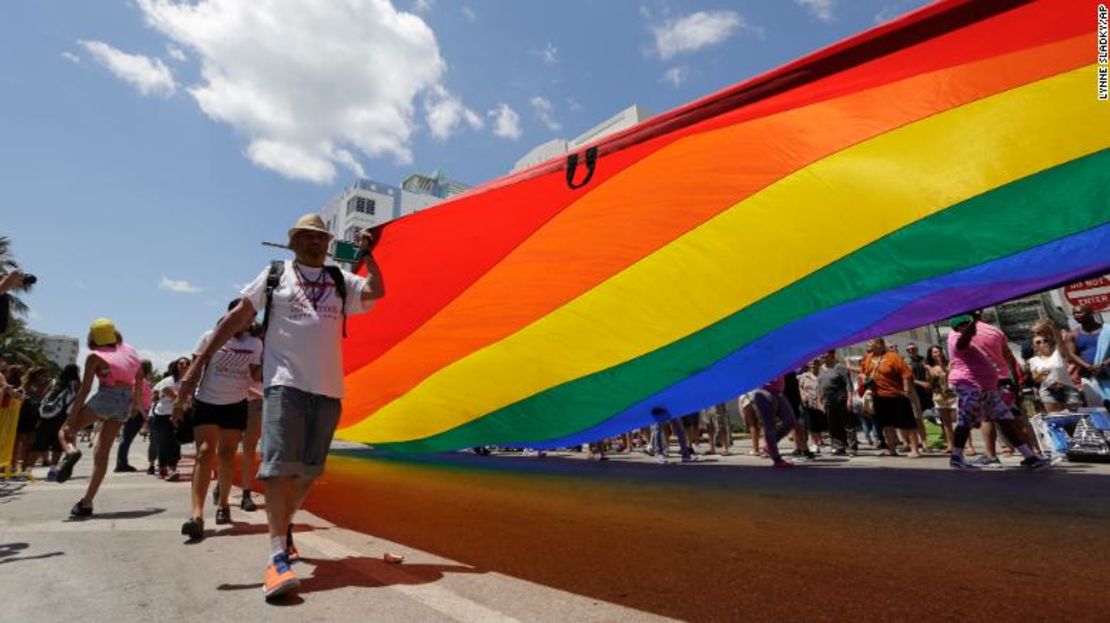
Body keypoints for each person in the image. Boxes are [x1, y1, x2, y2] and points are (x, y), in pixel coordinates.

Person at [178, 214, 383, 601]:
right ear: (293, 242)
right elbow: (236, 317)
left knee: (308, 472)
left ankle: (283, 529)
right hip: (284, 384)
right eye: (306, 237)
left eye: (320, 238)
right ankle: (276, 559)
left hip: (328, 389)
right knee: (278, 471)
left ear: (327, 243)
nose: (314, 243)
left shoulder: (342, 280)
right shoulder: (275, 276)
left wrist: (368, 256)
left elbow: (376, 292)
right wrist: (197, 367)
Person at [181, 300, 264, 540]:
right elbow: (196, 367)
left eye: (252, 317)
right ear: (231, 315)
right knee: (205, 453)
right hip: (207, 401)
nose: (250, 320)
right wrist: (181, 400)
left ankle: (223, 504)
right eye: (246, 315)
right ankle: (196, 515)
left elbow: (254, 375)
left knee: (227, 455)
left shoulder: (255, 343)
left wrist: (264, 354)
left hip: (236, 403)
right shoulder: (210, 336)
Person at [55, 319, 144, 517]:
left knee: (64, 432)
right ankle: (87, 502)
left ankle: (70, 452)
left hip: (107, 395)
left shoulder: (95, 356)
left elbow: (85, 389)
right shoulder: (129, 350)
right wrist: (135, 404)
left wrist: (72, 418)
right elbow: (139, 377)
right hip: (125, 399)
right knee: (102, 453)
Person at [946, 315, 1048, 470]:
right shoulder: (956, 338)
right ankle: (956, 457)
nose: (969, 326)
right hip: (970, 387)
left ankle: (1030, 456)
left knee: (1005, 420)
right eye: (964, 325)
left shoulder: (970, 337)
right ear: (958, 328)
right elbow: (961, 344)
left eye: (968, 323)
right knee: (965, 422)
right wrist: (969, 329)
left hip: (988, 388)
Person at [860, 337, 921, 457]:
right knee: (886, 424)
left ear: (880, 344)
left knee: (907, 423)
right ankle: (892, 449)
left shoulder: (893, 356)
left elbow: (906, 374)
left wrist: (906, 390)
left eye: (871, 342)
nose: (868, 344)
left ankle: (915, 449)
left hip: (897, 395)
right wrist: (865, 378)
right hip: (879, 396)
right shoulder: (867, 358)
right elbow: (863, 372)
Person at [30, 364, 80, 480]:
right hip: (63, 415)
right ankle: (52, 471)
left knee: (38, 444)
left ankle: (27, 470)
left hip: (47, 415)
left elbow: (43, 396)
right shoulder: (76, 384)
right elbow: (78, 399)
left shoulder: (54, 382)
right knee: (57, 445)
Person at [748, 376, 805, 467]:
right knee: (770, 425)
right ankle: (777, 459)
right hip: (764, 392)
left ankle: (769, 445)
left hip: (778, 392)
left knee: (790, 421)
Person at [1028, 321, 1082, 412]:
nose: (1042, 343)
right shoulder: (1033, 360)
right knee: (1056, 419)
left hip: (1067, 387)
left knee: (1075, 417)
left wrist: (1052, 328)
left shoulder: (1058, 352)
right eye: (1038, 342)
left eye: (1045, 340)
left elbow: (1060, 341)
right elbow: (1035, 379)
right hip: (1047, 390)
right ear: (1034, 346)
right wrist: (1040, 374)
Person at [150, 358, 189, 480]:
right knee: (164, 442)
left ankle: (172, 469)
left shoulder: (190, 381)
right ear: (176, 366)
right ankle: (163, 467)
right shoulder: (168, 381)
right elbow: (172, 395)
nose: (185, 365)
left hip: (181, 414)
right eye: (181, 363)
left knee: (176, 442)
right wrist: (184, 397)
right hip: (163, 415)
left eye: (188, 363)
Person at [1065, 305, 1108, 407]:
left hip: (1107, 373)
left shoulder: (1107, 331)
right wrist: (1089, 367)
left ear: (1091, 313)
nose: (1076, 315)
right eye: (1074, 313)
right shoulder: (1072, 335)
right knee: (1099, 410)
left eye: (1079, 312)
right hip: (1089, 377)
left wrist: (1103, 365)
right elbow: (1071, 354)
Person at [115, 360, 153, 472]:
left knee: (126, 438)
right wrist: (144, 414)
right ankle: (122, 464)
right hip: (137, 413)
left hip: (135, 412)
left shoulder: (140, 381)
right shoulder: (141, 382)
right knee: (127, 438)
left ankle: (122, 462)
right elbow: (137, 400)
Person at [817, 350, 856, 456]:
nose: (822, 355)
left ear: (831, 354)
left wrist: (850, 399)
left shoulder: (839, 367)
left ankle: (851, 447)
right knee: (833, 425)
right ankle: (838, 447)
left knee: (847, 423)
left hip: (841, 399)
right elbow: (820, 385)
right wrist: (820, 400)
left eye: (824, 353)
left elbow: (848, 384)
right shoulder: (821, 368)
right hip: (828, 401)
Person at [925, 345, 960, 453]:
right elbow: (930, 383)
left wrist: (942, 367)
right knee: (946, 422)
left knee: (959, 421)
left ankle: (967, 446)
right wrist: (930, 371)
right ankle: (951, 445)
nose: (938, 353)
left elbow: (951, 374)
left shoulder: (949, 363)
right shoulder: (930, 367)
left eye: (939, 351)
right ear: (931, 355)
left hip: (952, 394)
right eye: (935, 352)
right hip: (939, 395)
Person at [904, 342, 934, 448]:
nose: (911, 351)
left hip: (927, 391)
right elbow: (908, 378)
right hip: (915, 392)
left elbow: (930, 372)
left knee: (931, 416)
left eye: (913, 349)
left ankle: (932, 440)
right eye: (908, 350)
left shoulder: (923, 359)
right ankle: (921, 441)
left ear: (917, 349)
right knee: (917, 418)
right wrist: (922, 383)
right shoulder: (906, 362)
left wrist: (929, 382)